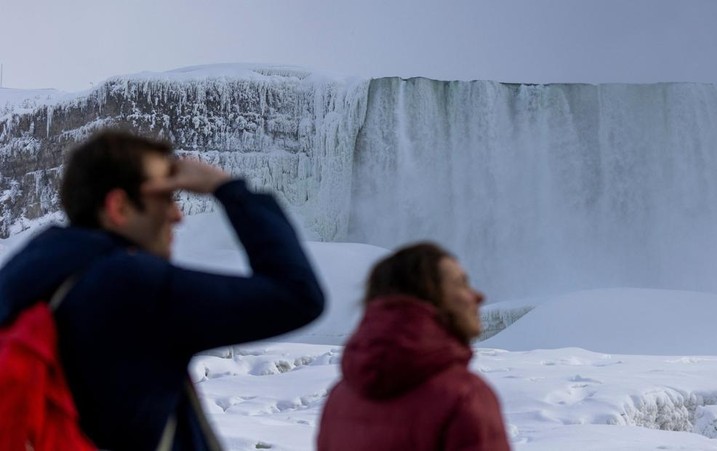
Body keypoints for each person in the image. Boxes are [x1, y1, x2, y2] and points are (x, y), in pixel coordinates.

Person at [0, 130, 325, 450]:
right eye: (166, 197)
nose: (177, 215)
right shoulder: (132, 286)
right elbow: (297, 295)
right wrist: (226, 188)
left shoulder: (24, 278)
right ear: (119, 207)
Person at [317, 242, 510, 451]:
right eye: (461, 283)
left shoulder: (340, 399)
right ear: (431, 297)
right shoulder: (463, 397)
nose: (478, 296)